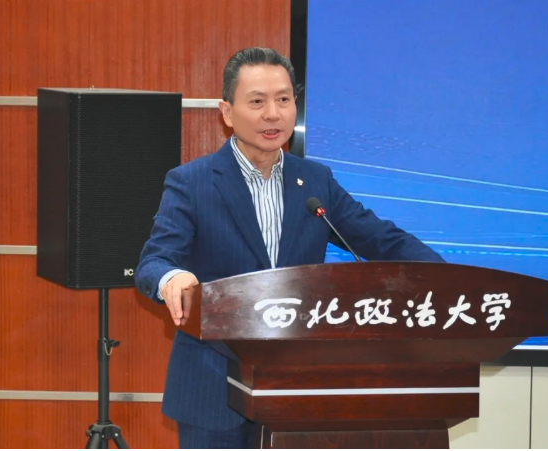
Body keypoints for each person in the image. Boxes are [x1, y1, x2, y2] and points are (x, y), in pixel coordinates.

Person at [134, 47, 445, 449]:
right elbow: (154, 261)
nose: (273, 114)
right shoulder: (192, 182)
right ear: (227, 112)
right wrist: (172, 278)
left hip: (298, 387)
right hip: (213, 385)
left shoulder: (315, 181)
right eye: (257, 102)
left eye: (283, 99)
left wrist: (446, 276)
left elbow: (381, 239)